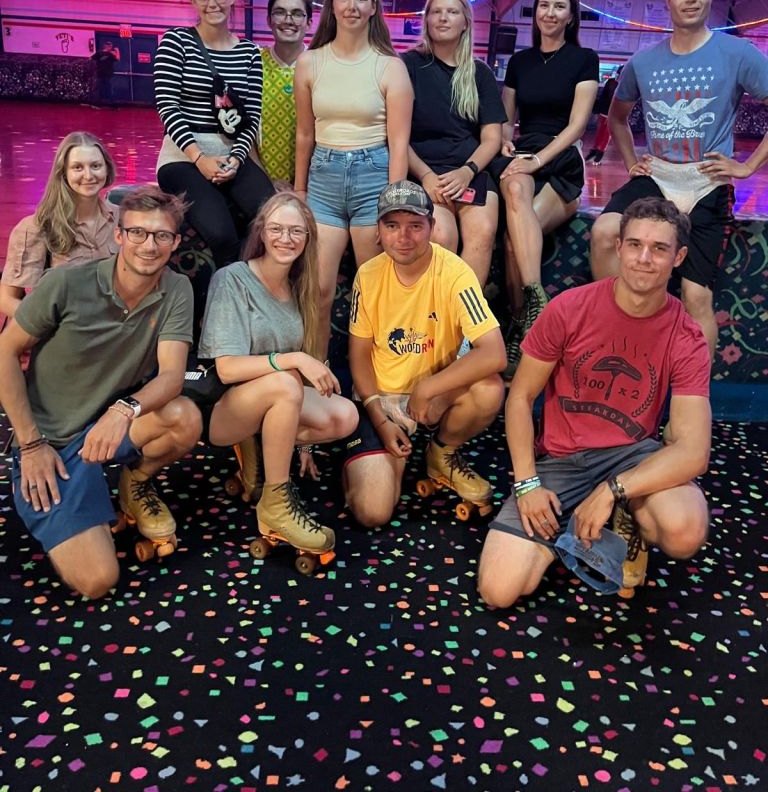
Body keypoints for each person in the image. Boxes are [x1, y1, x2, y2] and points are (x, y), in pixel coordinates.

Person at [478, 198, 712, 609]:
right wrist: (527, 483)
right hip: (560, 460)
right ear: (618, 247)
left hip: (631, 456)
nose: (644, 258)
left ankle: (619, 512)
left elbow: (694, 452)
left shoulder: (687, 336)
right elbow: (520, 398)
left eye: (659, 248)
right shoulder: (569, 308)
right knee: (499, 591)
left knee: (684, 530)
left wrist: (612, 490)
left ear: (678, 258)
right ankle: (578, 526)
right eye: (635, 244)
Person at [0, 187, 202, 600]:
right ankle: (57, 499)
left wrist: (123, 410)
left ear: (175, 242)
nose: (149, 245)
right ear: (119, 235)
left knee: (185, 418)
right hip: (51, 444)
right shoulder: (65, 283)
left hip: (107, 426)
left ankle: (134, 484)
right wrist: (31, 443)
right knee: (97, 581)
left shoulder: (177, 288)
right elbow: (4, 351)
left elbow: (172, 377)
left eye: (162, 235)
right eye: (138, 233)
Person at [590, 0, 768, 356]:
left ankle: (693, 387)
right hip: (657, 176)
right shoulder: (644, 61)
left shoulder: (737, 53)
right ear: (668, 0)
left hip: (707, 181)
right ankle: (617, 342)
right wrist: (630, 160)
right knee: (603, 233)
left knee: (696, 297)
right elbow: (616, 116)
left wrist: (747, 166)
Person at [198, 193, 358, 555]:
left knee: (344, 415)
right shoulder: (233, 279)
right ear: (261, 232)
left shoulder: (299, 286)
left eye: (296, 231)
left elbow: (304, 375)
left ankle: (265, 446)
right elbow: (227, 369)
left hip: (275, 398)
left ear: (308, 238)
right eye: (276, 229)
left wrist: (303, 444)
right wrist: (295, 359)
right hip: (222, 409)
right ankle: (275, 505)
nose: (286, 239)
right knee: (286, 383)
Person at [346, 180, 506, 529]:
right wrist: (380, 420)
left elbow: (495, 353)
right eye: (392, 225)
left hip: (433, 396)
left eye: (415, 226)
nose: (403, 237)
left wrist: (428, 387)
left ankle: (442, 452)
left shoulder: (455, 272)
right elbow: (357, 356)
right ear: (378, 231)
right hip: (382, 399)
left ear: (432, 227)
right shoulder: (368, 275)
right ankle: (371, 459)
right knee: (373, 511)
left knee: (489, 388)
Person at [294, 0, 413, 358]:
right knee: (318, 288)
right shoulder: (310, 63)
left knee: (374, 289)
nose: (352, 6)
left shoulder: (390, 66)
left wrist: (392, 205)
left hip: (373, 179)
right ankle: (316, 369)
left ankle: (377, 374)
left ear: (374, 7)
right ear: (331, 5)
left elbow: (398, 143)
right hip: (323, 181)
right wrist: (300, 191)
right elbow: (305, 134)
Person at [492, 0, 599, 373]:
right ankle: (532, 308)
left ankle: (523, 323)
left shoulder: (584, 58)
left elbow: (577, 126)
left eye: (558, 7)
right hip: (524, 151)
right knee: (514, 199)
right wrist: (506, 140)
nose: (550, 13)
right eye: (543, 6)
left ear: (571, 16)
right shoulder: (520, 62)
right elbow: (507, 119)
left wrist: (538, 160)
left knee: (515, 238)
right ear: (535, 12)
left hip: (560, 155)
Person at [154, 0, 275, 269]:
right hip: (183, 156)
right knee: (222, 234)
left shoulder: (249, 53)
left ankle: (258, 284)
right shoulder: (176, 42)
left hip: (231, 154)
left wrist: (236, 159)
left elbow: (251, 117)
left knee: (272, 218)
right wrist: (199, 158)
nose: (213, 3)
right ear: (193, 1)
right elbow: (168, 107)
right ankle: (224, 294)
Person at [403, 0, 505, 288]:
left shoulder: (479, 73)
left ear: (465, 22)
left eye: (451, 11)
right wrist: (425, 176)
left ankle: (464, 315)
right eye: (436, 11)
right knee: (441, 234)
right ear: (426, 20)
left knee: (483, 231)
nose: (443, 18)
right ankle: (434, 310)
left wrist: (466, 171)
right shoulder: (408, 65)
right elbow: (395, 135)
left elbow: (492, 138)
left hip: (469, 171)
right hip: (424, 171)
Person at [0, 131, 118, 321]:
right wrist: (49, 324)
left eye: (95, 166)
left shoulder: (123, 219)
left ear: (107, 169)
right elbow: (6, 299)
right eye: (77, 167)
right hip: (63, 330)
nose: (88, 175)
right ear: (63, 173)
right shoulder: (36, 228)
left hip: (114, 326)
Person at [258, 0, 313, 186]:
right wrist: (262, 181)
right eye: (280, 12)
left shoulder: (321, 66)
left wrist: (301, 186)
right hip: (259, 183)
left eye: (297, 14)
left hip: (312, 185)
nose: (288, 20)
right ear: (269, 20)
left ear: (309, 22)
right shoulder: (254, 64)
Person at [585, 66, 622, 164]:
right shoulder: (618, 84)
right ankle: (597, 153)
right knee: (604, 134)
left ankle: (596, 152)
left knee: (603, 133)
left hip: (607, 112)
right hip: (609, 113)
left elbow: (603, 97)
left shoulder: (612, 82)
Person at [91, 40, 120, 107]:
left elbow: (91, 58)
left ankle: (104, 104)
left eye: (110, 46)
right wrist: (117, 51)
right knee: (104, 89)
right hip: (103, 74)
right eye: (109, 46)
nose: (110, 47)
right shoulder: (103, 54)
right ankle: (109, 104)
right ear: (106, 46)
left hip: (104, 74)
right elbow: (91, 58)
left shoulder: (108, 54)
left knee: (103, 89)